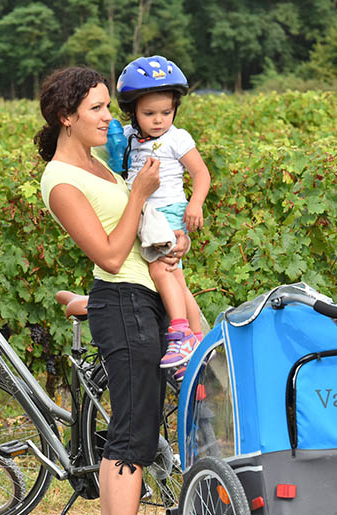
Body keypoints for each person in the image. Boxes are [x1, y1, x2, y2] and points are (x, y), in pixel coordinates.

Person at [35, 66, 188, 515]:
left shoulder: (99, 165)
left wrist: (170, 238)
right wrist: (142, 192)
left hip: (143, 299)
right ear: (66, 117)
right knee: (131, 437)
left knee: (138, 433)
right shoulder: (60, 181)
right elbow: (108, 253)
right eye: (97, 109)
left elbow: (138, 235)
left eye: (107, 106)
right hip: (121, 305)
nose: (109, 117)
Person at [116, 55, 211, 370]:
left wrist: (195, 203)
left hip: (168, 210)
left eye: (166, 112)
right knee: (177, 281)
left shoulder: (177, 138)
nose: (158, 120)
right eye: (149, 113)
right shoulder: (129, 138)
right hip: (145, 214)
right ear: (133, 112)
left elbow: (201, 174)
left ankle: (180, 332)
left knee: (160, 268)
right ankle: (198, 341)